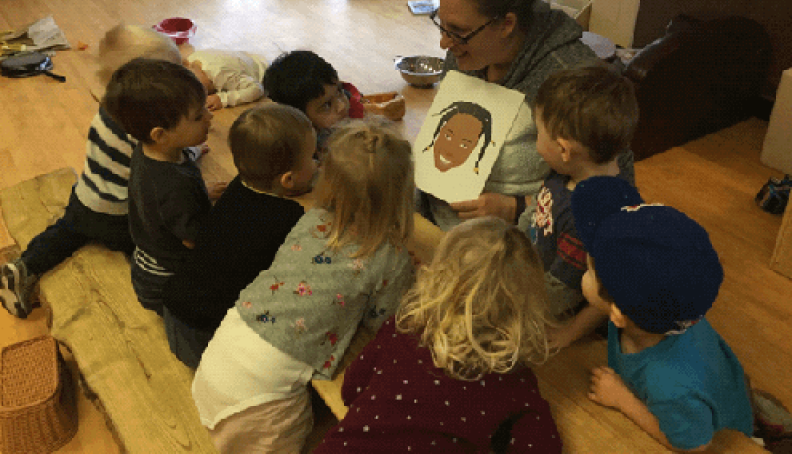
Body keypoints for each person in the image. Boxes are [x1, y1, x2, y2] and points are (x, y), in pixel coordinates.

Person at [192, 118, 416, 454]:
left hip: (219, 358)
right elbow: (382, 322)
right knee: (300, 433)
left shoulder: (310, 219)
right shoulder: (391, 257)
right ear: (401, 196)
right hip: (258, 399)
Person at [420, 0, 633, 231]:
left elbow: (615, 188)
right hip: (439, 219)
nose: (444, 43)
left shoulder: (567, 73)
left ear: (506, 24)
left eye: (458, 31)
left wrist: (516, 207)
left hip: (514, 239)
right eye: (442, 24)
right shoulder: (465, 49)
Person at [314, 217, 562, 454]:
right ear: (525, 311)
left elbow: (351, 388)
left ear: (438, 277)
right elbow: (541, 447)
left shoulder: (404, 328)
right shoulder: (511, 380)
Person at [0, 25, 183, 319]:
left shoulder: (109, 105)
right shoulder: (146, 123)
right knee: (157, 244)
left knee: (65, 232)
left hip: (86, 198)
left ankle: (25, 266)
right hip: (122, 215)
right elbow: (166, 166)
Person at [572, 176, 754, 452]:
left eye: (590, 270)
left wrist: (623, 400)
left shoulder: (670, 386)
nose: (586, 272)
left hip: (720, 433)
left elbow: (694, 445)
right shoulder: (674, 305)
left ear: (618, 314)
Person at [161, 103, 316, 369]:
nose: (318, 163)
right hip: (208, 335)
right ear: (288, 180)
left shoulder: (238, 186)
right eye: (313, 157)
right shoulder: (287, 217)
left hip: (175, 310)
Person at [526, 64, 638, 350]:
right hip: (538, 269)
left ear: (564, 149)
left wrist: (568, 333)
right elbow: (539, 210)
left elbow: (603, 296)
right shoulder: (566, 171)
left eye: (538, 133)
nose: (536, 142)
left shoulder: (593, 218)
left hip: (558, 302)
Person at [101, 58, 224, 314]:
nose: (210, 116)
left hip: (151, 260)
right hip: (166, 284)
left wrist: (200, 188)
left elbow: (166, 203)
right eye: (198, 116)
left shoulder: (149, 151)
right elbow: (195, 240)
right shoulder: (174, 188)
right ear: (160, 135)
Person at [262, 50, 363, 152]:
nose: (341, 106)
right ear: (302, 118)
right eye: (326, 105)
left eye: (339, 91)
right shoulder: (304, 150)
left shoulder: (349, 106)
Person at [183, 48, 270, 111]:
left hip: (263, 71)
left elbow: (257, 89)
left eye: (194, 84)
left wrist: (223, 99)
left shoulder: (220, 74)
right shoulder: (192, 59)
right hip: (246, 57)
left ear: (187, 64)